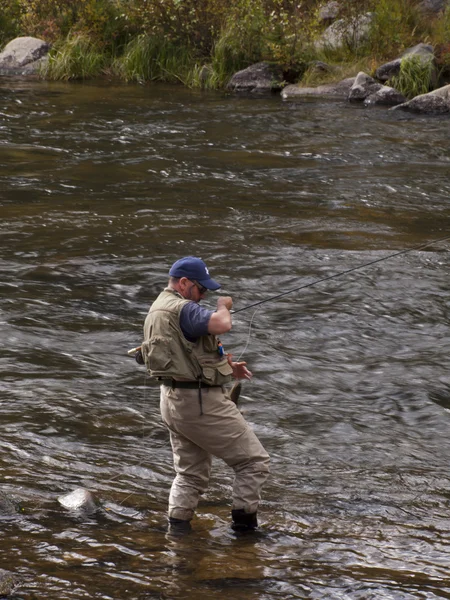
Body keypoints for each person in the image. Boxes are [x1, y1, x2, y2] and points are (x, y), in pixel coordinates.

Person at [139, 256, 270, 533]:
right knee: (253, 463)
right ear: (184, 283)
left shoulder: (157, 310)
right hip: (199, 404)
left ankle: (177, 534)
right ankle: (244, 535)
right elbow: (222, 324)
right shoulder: (184, 309)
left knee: (190, 474)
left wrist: (226, 368)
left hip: (172, 401)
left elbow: (179, 355)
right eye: (202, 290)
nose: (204, 296)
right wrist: (224, 305)